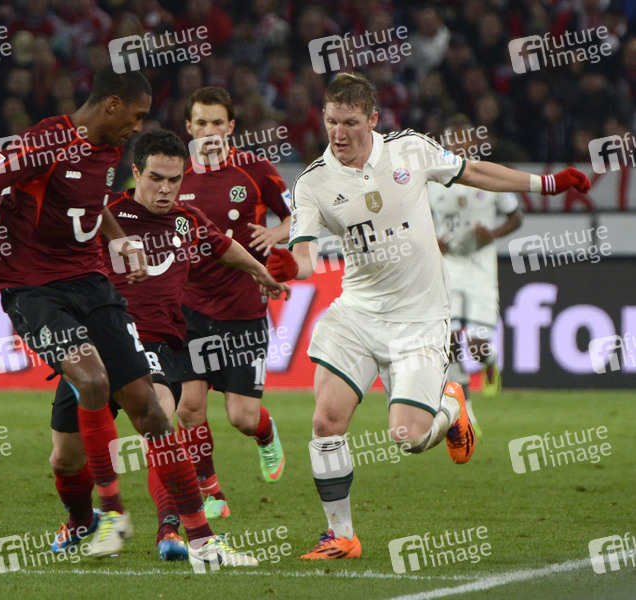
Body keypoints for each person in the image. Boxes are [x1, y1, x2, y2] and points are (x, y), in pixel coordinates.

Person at [265, 72, 590, 559]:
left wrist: (545, 183)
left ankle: (452, 405)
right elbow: (306, 256)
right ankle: (341, 535)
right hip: (357, 313)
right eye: (331, 121)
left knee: (409, 437)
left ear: (373, 119)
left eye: (350, 122)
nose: (338, 133)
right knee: (326, 422)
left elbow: (474, 172)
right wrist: (292, 267)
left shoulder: (410, 150)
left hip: (419, 317)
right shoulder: (313, 181)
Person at [0, 66, 260, 567]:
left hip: (92, 285)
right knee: (71, 441)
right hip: (34, 290)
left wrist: (120, 241)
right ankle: (91, 517)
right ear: (111, 105)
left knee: (152, 412)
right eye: (136, 116)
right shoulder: (45, 142)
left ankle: (203, 542)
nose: (138, 127)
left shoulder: (108, 151)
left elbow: (92, 206)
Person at [48, 129, 289, 561]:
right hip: (96, 346)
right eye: (156, 178)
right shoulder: (106, 216)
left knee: (158, 423)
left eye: (174, 180)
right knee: (65, 459)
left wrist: (259, 271)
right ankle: (81, 518)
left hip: (155, 345)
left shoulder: (187, 219)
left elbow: (224, 247)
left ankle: (173, 530)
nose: (165, 189)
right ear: (136, 173)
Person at [174, 87, 293, 520]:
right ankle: (212, 493)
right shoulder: (176, 176)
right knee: (189, 408)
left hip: (243, 309)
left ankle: (265, 433)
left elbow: (297, 215)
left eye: (217, 123)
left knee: (242, 416)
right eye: (201, 123)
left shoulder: (255, 171)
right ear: (189, 128)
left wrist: (275, 235)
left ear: (231, 127)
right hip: (189, 310)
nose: (209, 131)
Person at [428, 117, 524, 434]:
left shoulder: (489, 175)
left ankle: (491, 361)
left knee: (477, 345)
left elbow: (516, 216)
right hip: (447, 265)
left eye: (462, 139)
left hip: (481, 266)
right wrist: (432, 240)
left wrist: (492, 233)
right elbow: (416, 220)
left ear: (472, 142)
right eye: (450, 140)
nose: (456, 145)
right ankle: (465, 412)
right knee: (450, 341)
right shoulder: (432, 180)